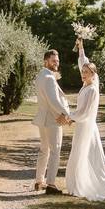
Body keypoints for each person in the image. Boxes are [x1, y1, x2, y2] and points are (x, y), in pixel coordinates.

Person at [62, 37, 105, 202]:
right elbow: (83, 62)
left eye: (87, 72)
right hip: (82, 127)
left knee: (87, 156)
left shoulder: (92, 90)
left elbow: (84, 112)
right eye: (83, 72)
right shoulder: (86, 85)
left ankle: (90, 186)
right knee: (79, 154)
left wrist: (69, 117)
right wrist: (81, 47)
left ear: (94, 74)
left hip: (87, 128)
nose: (83, 74)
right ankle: (77, 185)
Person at [32, 48, 70, 194]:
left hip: (43, 118)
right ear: (46, 61)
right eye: (53, 60)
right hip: (52, 119)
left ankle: (39, 181)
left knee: (44, 150)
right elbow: (53, 101)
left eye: (58, 60)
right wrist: (66, 114)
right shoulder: (48, 78)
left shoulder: (41, 75)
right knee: (55, 150)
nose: (56, 63)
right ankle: (51, 184)